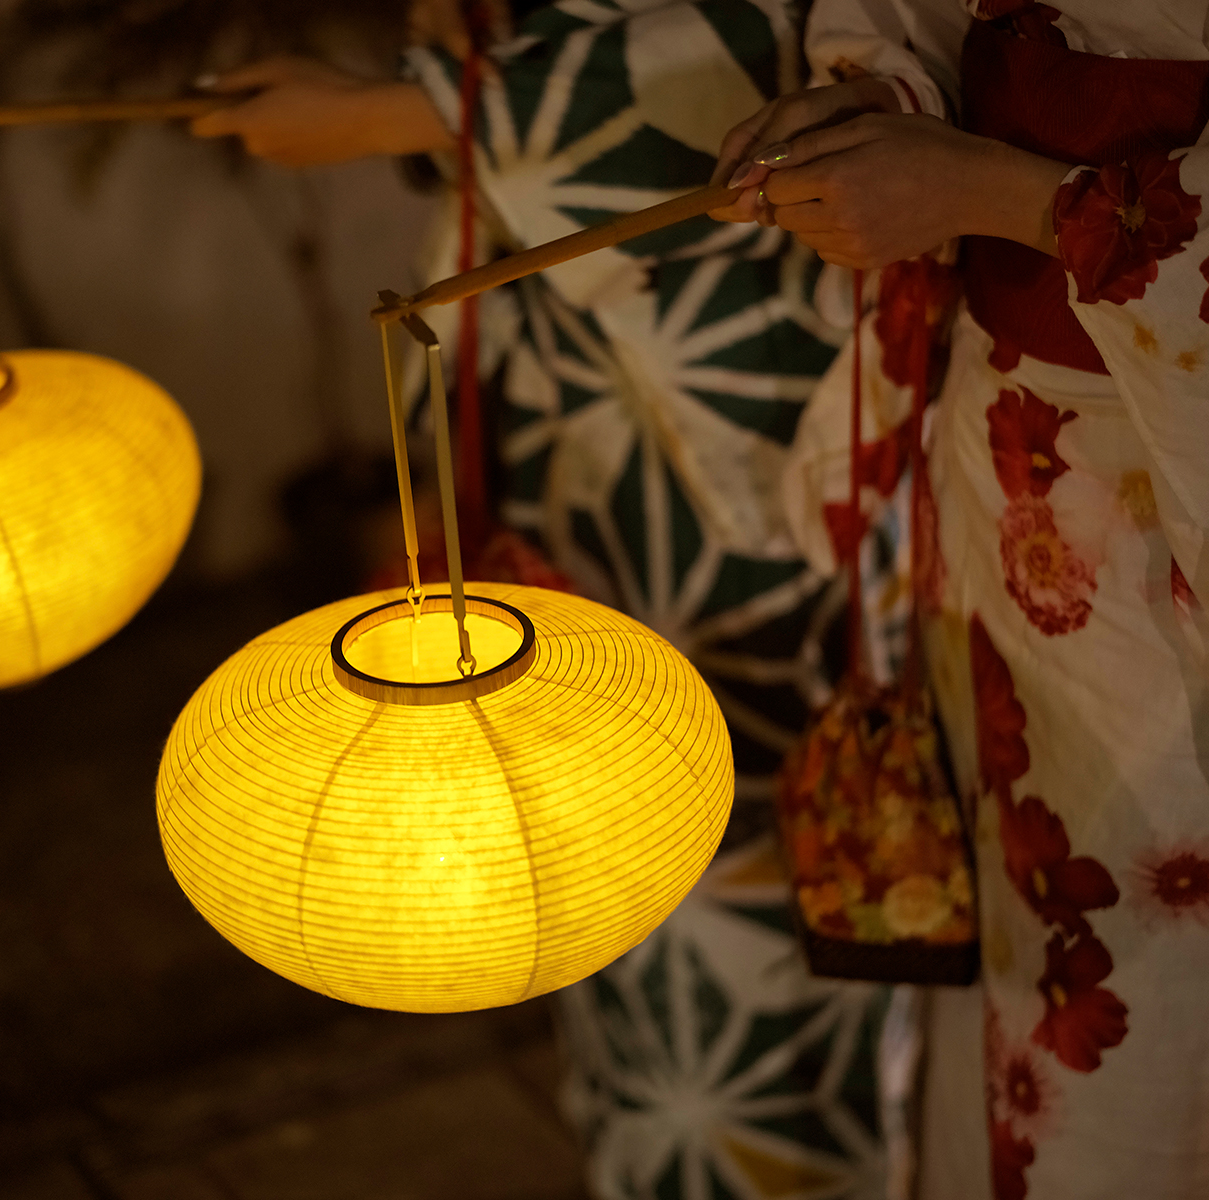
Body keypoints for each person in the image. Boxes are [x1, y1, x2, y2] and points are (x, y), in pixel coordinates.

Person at [193, 4, 907, 1198]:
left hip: (719, 414)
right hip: (568, 402)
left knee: (737, 822)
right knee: (574, 845)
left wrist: (409, 110)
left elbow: (787, 28)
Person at [710, 3, 1209, 1197]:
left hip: (1169, 457)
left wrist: (1009, 197)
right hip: (1008, 447)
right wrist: (878, 109)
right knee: (1021, 929)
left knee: (1160, 959)